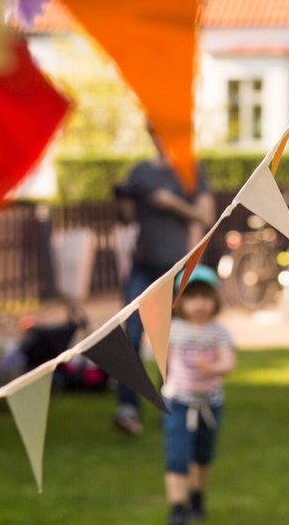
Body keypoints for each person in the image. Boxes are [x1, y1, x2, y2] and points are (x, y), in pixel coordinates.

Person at [113, 123, 214, 436]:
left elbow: (206, 215)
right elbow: (127, 218)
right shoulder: (140, 172)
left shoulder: (191, 172)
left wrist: (172, 203)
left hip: (175, 267)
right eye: (156, 131)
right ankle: (128, 407)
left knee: (170, 339)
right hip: (142, 266)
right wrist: (124, 200)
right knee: (128, 334)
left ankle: (171, 402)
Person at [162, 275, 235, 525]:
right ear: (180, 301)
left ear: (215, 300)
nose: (199, 304)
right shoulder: (171, 329)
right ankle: (177, 508)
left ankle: (197, 497)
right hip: (177, 403)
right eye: (191, 297)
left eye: (205, 297)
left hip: (209, 404)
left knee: (203, 456)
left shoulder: (219, 332)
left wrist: (212, 368)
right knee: (177, 455)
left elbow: (229, 363)